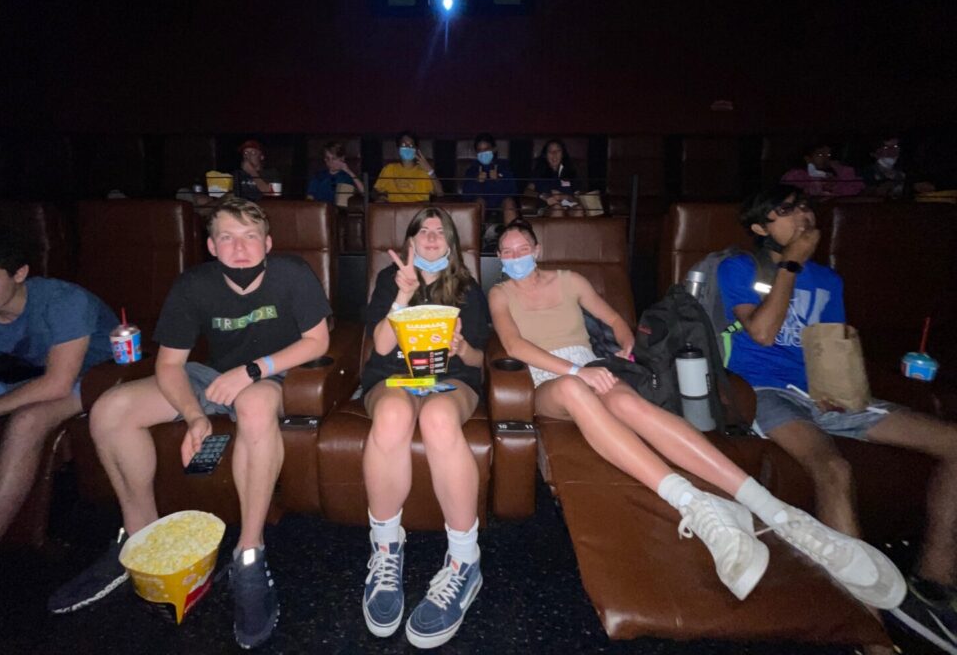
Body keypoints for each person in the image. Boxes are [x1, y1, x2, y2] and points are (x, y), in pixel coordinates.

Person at [488, 218, 905, 609]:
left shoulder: (571, 281)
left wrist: (626, 349)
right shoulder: (500, 293)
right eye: (506, 252)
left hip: (594, 368)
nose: (515, 256)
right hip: (551, 381)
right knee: (579, 391)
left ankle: (782, 515)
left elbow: (615, 319)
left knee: (627, 403)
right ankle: (696, 504)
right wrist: (578, 371)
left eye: (521, 247)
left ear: (537, 249)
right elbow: (514, 345)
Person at [49, 197, 331, 650]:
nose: (240, 248)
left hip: (271, 376)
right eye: (227, 237)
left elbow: (318, 339)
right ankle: (137, 541)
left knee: (257, 407)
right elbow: (169, 365)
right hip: (213, 378)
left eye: (250, 237)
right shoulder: (194, 284)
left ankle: (249, 554)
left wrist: (254, 370)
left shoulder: (292, 273)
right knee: (109, 409)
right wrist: (196, 415)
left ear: (268, 243)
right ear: (211, 246)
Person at [718, 186, 957, 650]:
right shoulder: (741, 268)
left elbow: (830, 345)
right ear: (761, 228)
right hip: (762, 392)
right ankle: (866, 627)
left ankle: (935, 578)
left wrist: (843, 390)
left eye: (805, 206)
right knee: (833, 469)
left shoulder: (830, 281)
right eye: (784, 210)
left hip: (824, 394)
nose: (802, 215)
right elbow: (764, 333)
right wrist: (791, 263)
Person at [0, 223, 118, 654]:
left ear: (18, 273)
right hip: (25, 378)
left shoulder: (61, 299)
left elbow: (57, 384)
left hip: (98, 376)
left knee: (27, 422)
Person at [359, 206, 488, 649]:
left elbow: (479, 360)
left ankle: (464, 561)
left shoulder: (468, 288)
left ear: (451, 244)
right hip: (393, 378)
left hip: (450, 381)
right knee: (393, 416)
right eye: (423, 231)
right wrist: (401, 297)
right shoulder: (387, 280)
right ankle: (386, 551)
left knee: (436, 416)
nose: (432, 238)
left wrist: (463, 346)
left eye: (440, 232)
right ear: (410, 242)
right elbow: (378, 347)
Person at [460, 133, 518, 226]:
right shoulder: (472, 169)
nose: (483, 153)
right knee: (479, 203)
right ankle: (477, 238)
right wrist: (476, 182)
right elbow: (466, 195)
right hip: (481, 203)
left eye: (486, 149)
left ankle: (513, 235)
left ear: (494, 149)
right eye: (480, 151)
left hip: (500, 201)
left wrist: (498, 180)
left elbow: (513, 191)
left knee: (509, 203)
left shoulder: (504, 166)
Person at [373, 132, 443, 203]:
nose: (407, 147)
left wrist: (430, 170)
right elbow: (375, 191)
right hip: (395, 210)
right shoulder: (389, 169)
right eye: (403, 145)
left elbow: (440, 193)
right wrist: (381, 197)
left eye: (411, 145)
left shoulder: (424, 171)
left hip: (419, 210)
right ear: (398, 148)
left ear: (416, 149)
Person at [780, 143, 864, 198]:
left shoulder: (834, 175)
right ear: (808, 158)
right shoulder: (795, 175)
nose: (825, 158)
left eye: (828, 154)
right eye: (820, 154)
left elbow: (855, 190)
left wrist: (840, 170)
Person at [861, 137, 935, 198]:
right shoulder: (867, 171)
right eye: (886, 147)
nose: (892, 150)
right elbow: (864, 193)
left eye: (895, 146)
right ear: (874, 153)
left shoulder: (909, 169)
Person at [525, 139, 584, 216]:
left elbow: (579, 198)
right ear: (545, 155)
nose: (554, 154)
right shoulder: (539, 172)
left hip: (569, 207)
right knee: (557, 208)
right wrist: (544, 196)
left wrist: (565, 197)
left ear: (563, 154)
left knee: (579, 210)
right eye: (550, 151)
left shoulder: (571, 172)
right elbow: (526, 191)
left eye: (558, 150)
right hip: (547, 208)